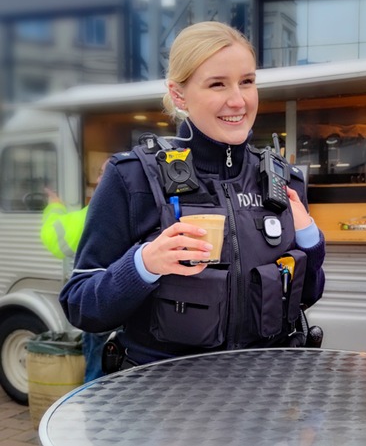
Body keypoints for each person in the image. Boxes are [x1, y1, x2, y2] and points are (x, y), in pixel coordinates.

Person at [59, 21, 326, 368]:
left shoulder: (283, 179)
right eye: (218, 84)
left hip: (265, 394)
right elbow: (80, 306)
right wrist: (144, 264)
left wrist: (309, 241)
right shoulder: (133, 177)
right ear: (180, 94)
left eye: (247, 81)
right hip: (167, 403)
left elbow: (308, 294)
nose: (238, 100)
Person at [41, 160, 110, 383]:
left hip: (101, 308)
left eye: (103, 174)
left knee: (97, 380)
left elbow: (55, 238)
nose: (98, 180)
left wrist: (54, 205)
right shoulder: (150, 206)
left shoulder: (94, 213)